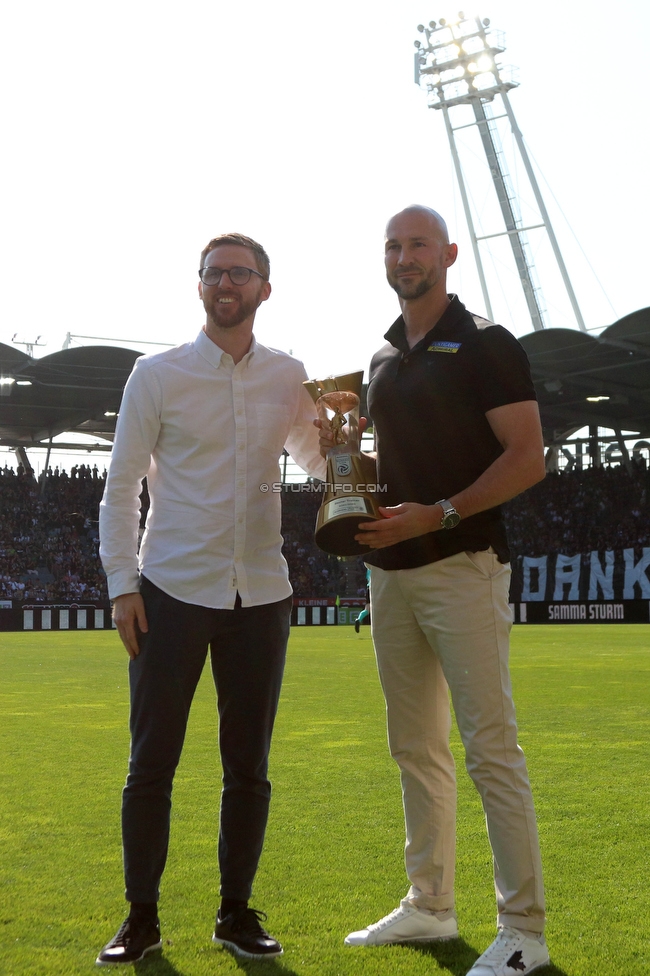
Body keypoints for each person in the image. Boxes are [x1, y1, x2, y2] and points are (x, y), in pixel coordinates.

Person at [326, 206, 549, 976]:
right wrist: (349, 474)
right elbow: (394, 462)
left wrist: (443, 511)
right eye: (393, 245)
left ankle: (523, 932)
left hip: (462, 564)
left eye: (417, 243)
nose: (404, 254)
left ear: (449, 254)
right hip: (389, 577)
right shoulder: (381, 360)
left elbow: (528, 458)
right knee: (415, 748)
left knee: (491, 750)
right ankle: (430, 906)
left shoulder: (486, 343)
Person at [97, 233, 324, 966]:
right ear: (199, 286)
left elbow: (322, 461)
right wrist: (121, 583)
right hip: (171, 590)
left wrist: (351, 434)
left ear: (265, 287)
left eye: (241, 272)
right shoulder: (155, 375)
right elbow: (121, 483)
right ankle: (140, 918)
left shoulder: (290, 376)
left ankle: (234, 913)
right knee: (151, 764)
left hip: (261, 593)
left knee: (248, 766)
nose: (227, 282)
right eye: (214, 272)